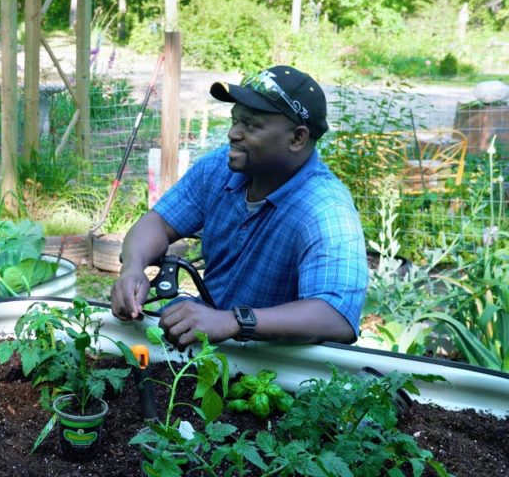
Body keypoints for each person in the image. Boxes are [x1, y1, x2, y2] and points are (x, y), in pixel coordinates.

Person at [111, 65, 367, 348]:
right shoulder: (221, 168)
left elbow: (336, 317)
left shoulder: (325, 211)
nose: (234, 133)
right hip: (212, 341)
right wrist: (133, 269)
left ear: (297, 138)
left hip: (275, 365)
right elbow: (157, 222)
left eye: (252, 125)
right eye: (236, 120)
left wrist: (233, 321)